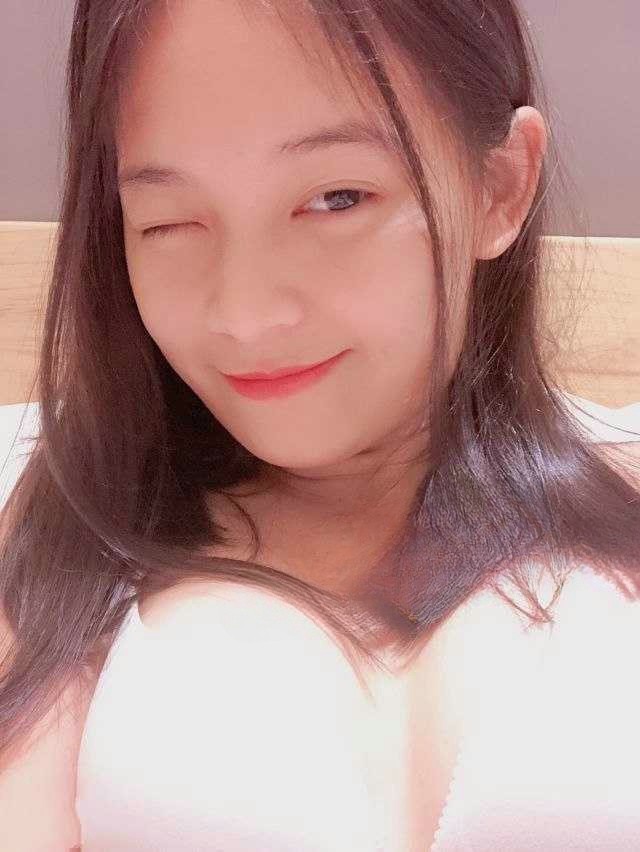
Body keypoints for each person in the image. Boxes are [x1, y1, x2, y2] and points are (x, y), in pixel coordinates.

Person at [1, 0, 639, 848]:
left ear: (498, 187)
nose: (245, 315)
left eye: (338, 199)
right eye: (170, 222)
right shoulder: (69, 523)